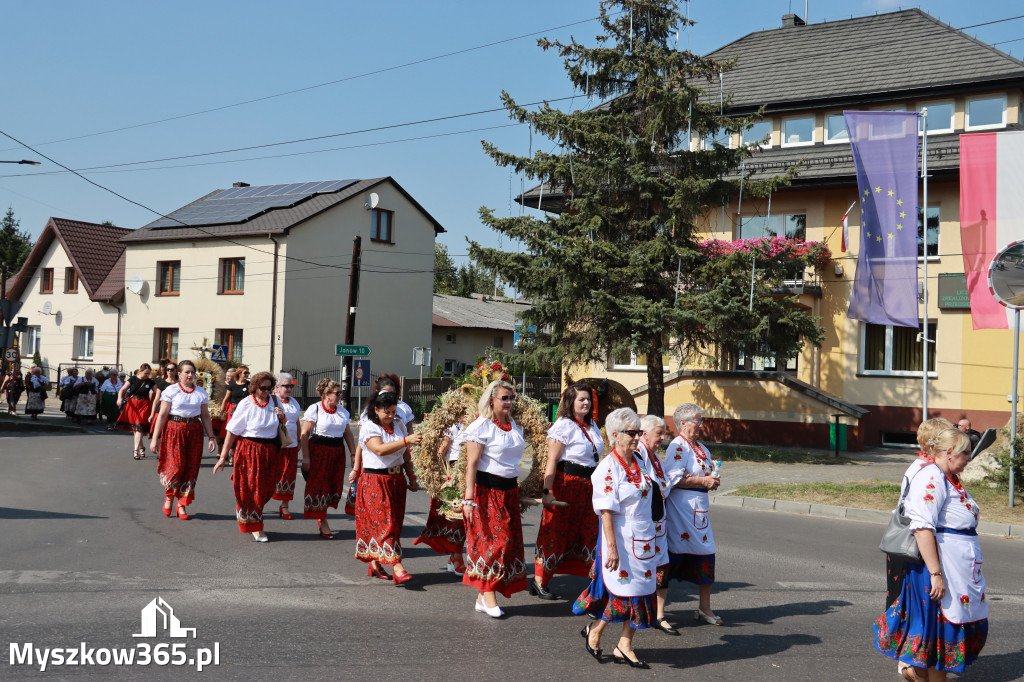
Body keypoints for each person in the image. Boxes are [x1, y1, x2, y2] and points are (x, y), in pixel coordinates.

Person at [874, 428, 988, 681]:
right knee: (937, 632)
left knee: (939, 631)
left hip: (956, 567)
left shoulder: (947, 476)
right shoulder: (932, 478)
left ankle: (919, 674)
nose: (969, 458)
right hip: (937, 568)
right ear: (949, 453)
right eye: (966, 453)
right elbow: (923, 528)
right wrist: (936, 574)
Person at [573, 407, 668, 668]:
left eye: (639, 432)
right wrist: (611, 548)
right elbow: (605, 511)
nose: (638, 437)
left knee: (643, 592)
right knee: (624, 595)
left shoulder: (639, 460)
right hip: (621, 538)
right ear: (615, 435)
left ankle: (624, 644)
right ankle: (596, 631)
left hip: (645, 538)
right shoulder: (607, 467)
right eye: (632, 433)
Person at [885, 417, 952, 680]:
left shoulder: (919, 464)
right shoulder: (930, 472)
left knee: (905, 603)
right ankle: (908, 664)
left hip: (904, 545)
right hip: (913, 546)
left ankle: (908, 662)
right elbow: (924, 520)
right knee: (912, 606)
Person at [529, 382, 603, 600]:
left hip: (588, 488)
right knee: (556, 532)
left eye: (588, 399)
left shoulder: (593, 426)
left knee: (589, 534)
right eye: (581, 399)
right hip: (565, 486)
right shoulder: (564, 425)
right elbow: (552, 460)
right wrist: (547, 491)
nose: (586, 403)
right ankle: (539, 581)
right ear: (571, 402)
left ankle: (594, 583)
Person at [462, 379, 528, 617]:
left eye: (511, 398)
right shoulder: (482, 426)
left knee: (507, 544)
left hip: (509, 492)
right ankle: (488, 595)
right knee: (493, 544)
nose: (509, 402)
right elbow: (471, 464)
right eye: (504, 398)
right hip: (487, 492)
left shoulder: (514, 426)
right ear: (492, 400)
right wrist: (469, 499)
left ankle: (483, 596)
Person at [655, 403, 722, 634]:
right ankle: (659, 612)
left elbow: (700, 475)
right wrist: (701, 481)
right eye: (697, 421)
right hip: (681, 512)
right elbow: (671, 480)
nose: (701, 425)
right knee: (671, 558)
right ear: (682, 423)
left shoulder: (701, 447)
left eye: (701, 421)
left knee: (707, 554)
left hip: (699, 511)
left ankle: (705, 608)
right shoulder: (678, 446)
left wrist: (710, 481)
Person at [353, 390, 422, 584]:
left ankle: (375, 563)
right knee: (386, 524)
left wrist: (412, 477)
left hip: (396, 480)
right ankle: (398, 567)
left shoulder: (398, 425)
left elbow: (405, 455)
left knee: (395, 524)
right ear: (376, 409)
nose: (390, 416)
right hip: (375, 481)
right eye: (386, 412)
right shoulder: (369, 427)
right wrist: (406, 440)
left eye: (393, 411)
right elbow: (379, 449)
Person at [213, 371, 285, 541]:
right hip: (249, 450)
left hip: (270, 451)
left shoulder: (275, 401)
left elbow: (282, 424)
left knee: (267, 489)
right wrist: (223, 456)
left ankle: (248, 514)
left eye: (269, 388)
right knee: (253, 489)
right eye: (263, 388)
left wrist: (282, 416)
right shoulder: (246, 403)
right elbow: (231, 431)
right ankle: (256, 526)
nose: (266, 391)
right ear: (254, 387)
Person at [151, 360, 217, 520]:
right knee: (176, 466)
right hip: (175, 430)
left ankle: (181, 504)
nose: (190, 375)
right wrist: (155, 438)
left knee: (191, 467)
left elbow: (206, 417)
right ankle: (169, 496)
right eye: (186, 372)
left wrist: (211, 437)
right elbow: (162, 415)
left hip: (194, 431)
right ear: (178, 374)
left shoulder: (201, 392)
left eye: (192, 372)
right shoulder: (171, 390)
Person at [413, 416, 469, 575]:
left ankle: (456, 556)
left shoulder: (480, 422)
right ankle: (457, 556)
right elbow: (442, 450)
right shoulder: (454, 425)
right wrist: (434, 474)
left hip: (473, 469)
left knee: (467, 518)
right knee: (456, 516)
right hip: (453, 471)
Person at [300, 379, 355, 538]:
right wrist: (306, 457)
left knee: (333, 488)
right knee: (319, 487)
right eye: (337, 393)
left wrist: (353, 454)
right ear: (326, 394)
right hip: (318, 452)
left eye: (340, 393)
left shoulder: (342, 412)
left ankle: (321, 513)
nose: (340, 395)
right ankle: (322, 520)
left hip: (337, 453)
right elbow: (305, 434)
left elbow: (348, 435)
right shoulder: (315, 409)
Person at [272, 372, 303, 520]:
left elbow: (296, 421)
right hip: (274, 443)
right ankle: (259, 503)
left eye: (291, 385)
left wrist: (299, 439)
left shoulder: (293, 402)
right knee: (272, 474)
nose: (289, 389)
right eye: (286, 386)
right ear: (277, 387)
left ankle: (284, 506)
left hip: (291, 444)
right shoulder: (271, 400)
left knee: (289, 475)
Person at [117, 364, 156, 459]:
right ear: (140, 371)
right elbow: (122, 389)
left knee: (139, 427)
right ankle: (142, 446)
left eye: (148, 374)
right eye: (146, 373)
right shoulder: (133, 379)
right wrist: (119, 398)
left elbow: (158, 392)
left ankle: (135, 451)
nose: (147, 375)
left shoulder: (150, 382)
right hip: (132, 405)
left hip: (144, 405)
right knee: (135, 429)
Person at [218, 366, 250, 466]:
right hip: (233, 410)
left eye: (248, 373)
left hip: (245, 411)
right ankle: (231, 454)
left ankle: (237, 455)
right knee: (232, 431)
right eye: (245, 373)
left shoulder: (250, 385)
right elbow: (226, 399)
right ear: (239, 373)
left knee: (242, 433)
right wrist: (222, 412)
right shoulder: (232, 386)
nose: (247, 375)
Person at [148, 361, 178, 439]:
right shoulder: (162, 384)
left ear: (176, 371)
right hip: (163, 410)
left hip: (176, 411)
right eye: (168, 369)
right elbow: (156, 400)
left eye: (172, 369)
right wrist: (152, 414)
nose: (169, 371)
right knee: (160, 434)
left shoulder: (179, 384)